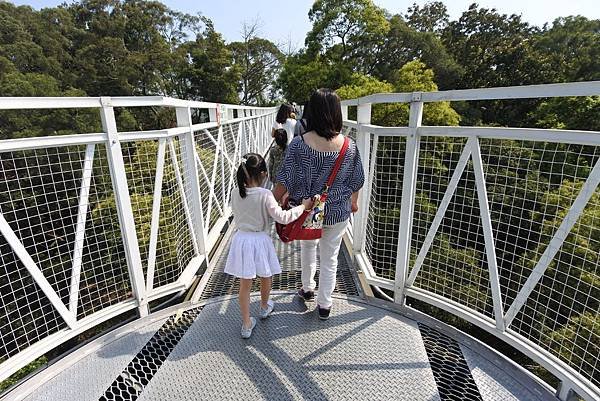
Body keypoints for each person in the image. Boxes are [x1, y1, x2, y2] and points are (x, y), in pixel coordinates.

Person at [274, 88, 364, 321]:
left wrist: (271, 202)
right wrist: (353, 202)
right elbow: (357, 180)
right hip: (337, 210)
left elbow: (285, 179)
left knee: (308, 246)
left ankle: (307, 287)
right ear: (337, 113)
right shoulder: (349, 146)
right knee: (331, 256)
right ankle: (325, 304)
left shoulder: (298, 145)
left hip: (307, 210)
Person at [225, 153, 313, 338]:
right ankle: (264, 306)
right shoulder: (265, 194)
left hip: (241, 240)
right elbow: (282, 217)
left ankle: (247, 323)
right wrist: (303, 207)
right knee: (266, 275)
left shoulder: (235, 192)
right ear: (264, 174)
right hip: (260, 240)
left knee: (245, 284)